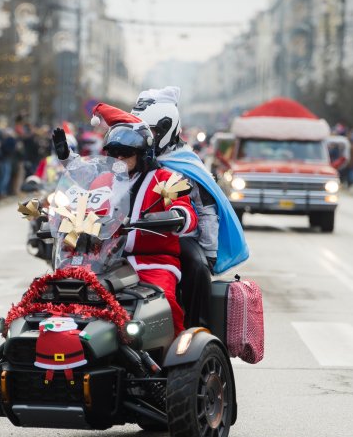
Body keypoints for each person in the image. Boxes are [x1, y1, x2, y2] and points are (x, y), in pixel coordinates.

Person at [65, 102, 197, 335]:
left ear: (142, 154)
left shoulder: (165, 178)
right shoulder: (102, 181)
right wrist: (64, 222)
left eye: (126, 154)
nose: (119, 159)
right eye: (114, 154)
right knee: (64, 293)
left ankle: (176, 360)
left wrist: (175, 216)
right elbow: (84, 210)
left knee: (163, 301)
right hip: (103, 263)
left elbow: (187, 213)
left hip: (153, 262)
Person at [128, 86, 248, 326]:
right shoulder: (129, 157)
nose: (145, 137)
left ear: (165, 129)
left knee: (195, 264)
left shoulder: (185, 163)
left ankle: (196, 329)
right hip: (130, 232)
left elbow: (206, 209)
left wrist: (208, 251)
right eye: (140, 131)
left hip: (178, 234)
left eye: (150, 131)